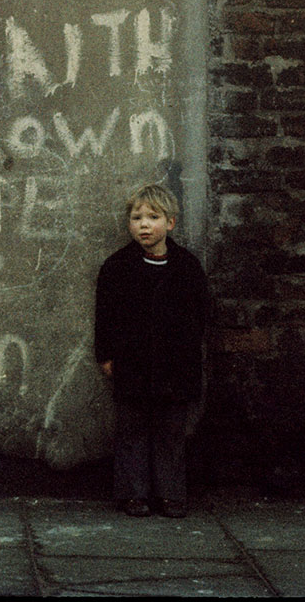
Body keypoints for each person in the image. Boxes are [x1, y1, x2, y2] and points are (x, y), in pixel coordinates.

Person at [94, 183, 209, 519]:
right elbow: (105, 316)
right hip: (132, 364)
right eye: (137, 218)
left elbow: (200, 316)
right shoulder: (117, 267)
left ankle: (171, 495)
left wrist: (190, 357)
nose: (144, 224)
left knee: (171, 432)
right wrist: (106, 355)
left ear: (170, 223)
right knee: (132, 430)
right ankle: (134, 494)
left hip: (175, 367)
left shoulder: (187, 267)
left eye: (153, 217)